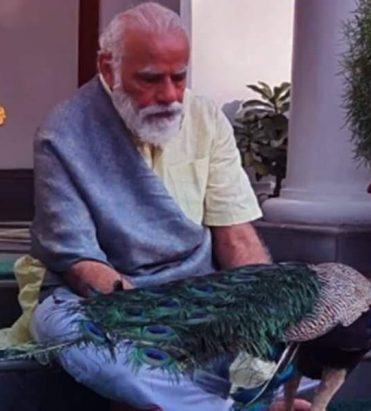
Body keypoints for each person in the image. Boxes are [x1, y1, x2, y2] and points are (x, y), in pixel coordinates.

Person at [23, 3, 311, 410]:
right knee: (81, 343)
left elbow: (236, 238)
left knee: (318, 333)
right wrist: (160, 322)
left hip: (204, 294)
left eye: (179, 77)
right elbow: (79, 262)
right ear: (108, 68)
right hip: (105, 303)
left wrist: (265, 312)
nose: (170, 95)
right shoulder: (62, 134)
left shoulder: (205, 117)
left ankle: (257, 395)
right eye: (150, 79)